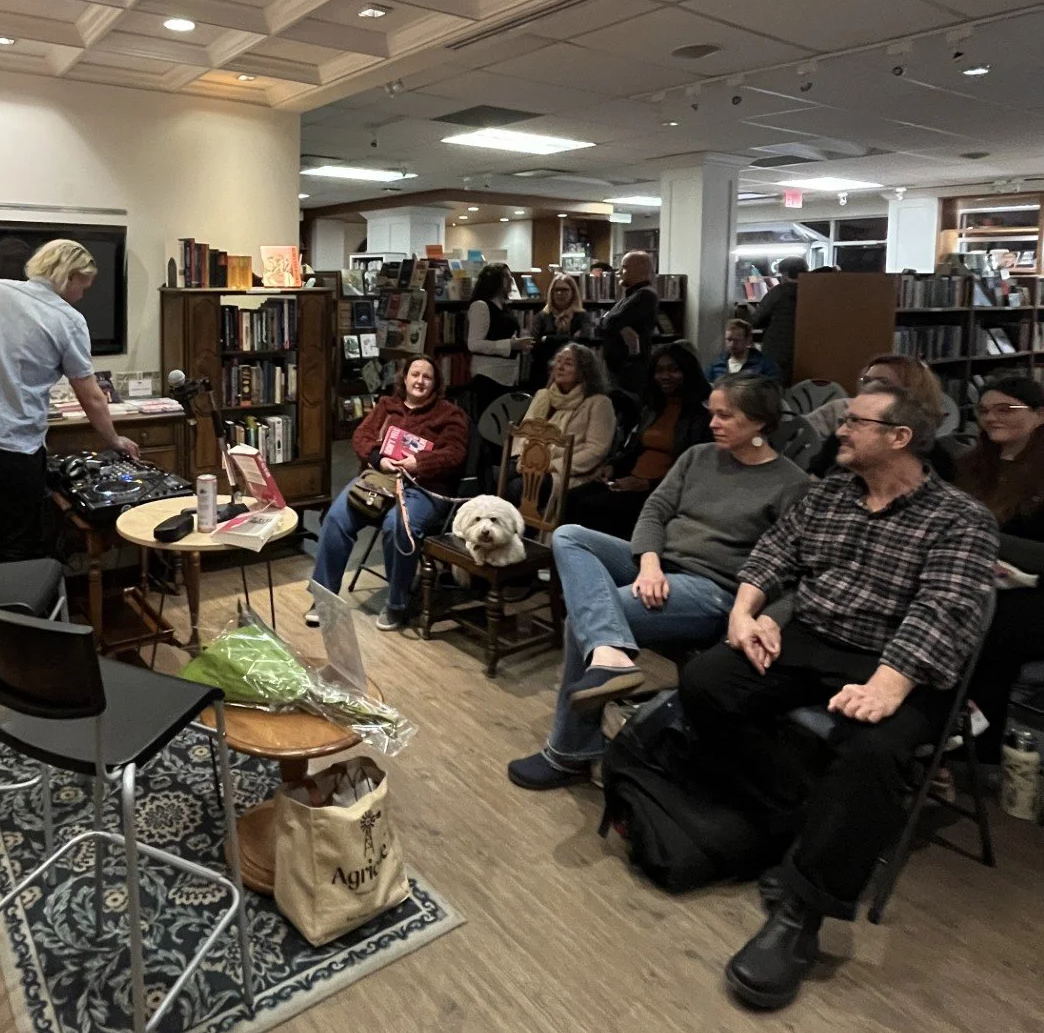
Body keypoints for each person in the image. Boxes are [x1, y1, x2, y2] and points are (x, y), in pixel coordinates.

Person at [680, 381, 998, 1012]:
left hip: (899, 661)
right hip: (815, 636)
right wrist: (746, 614)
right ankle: (798, 810)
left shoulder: (961, 520)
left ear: (899, 438)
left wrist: (890, 681)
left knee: (875, 749)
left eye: (855, 423)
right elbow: (775, 554)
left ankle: (801, 914)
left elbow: (945, 610)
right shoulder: (828, 494)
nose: (839, 431)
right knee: (708, 681)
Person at [508, 374, 808, 791]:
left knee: (583, 620)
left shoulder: (792, 485)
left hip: (714, 589)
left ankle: (568, 752)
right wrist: (648, 563)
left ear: (760, 423)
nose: (713, 423)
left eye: (726, 416)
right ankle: (610, 654)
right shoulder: (698, 457)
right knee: (570, 535)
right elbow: (654, 512)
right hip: (660, 567)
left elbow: (795, 570)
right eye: (712, 414)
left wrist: (764, 619)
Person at [0, 239, 139, 570]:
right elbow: (90, 394)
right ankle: (9, 620)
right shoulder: (67, 319)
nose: (81, 296)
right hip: (14, 449)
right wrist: (113, 440)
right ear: (68, 276)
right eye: (82, 286)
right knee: (14, 549)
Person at [310, 356, 469, 631]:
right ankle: (323, 597)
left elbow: (455, 453)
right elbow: (361, 435)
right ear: (404, 378)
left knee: (397, 524)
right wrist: (377, 457)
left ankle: (397, 604)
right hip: (379, 479)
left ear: (435, 383)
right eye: (414, 374)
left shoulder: (450, 414)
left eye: (427, 377)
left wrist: (419, 462)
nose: (420, 381)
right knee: (336, 517)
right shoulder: (387, 405)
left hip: (424, 487)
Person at [954, 374, 1044, 764]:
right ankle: (942, 722)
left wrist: (984, 540)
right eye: (985, 410)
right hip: (974, 577)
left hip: (1032, 590)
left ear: (1039, 415)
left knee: (987, 629)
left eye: (1006, 409)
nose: (992, 418)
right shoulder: (971, 464)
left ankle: (979, 746)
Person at [564, 343, 711, 539]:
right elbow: (634, 448)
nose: (665, 376)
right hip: (629, 478)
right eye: (659, 371)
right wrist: (612, 466)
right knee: (571, 498)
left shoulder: (701, 416)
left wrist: (646, 484)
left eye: (673, 370)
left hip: (659, 488)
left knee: (593, 508)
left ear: (688, 372)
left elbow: (693, 471)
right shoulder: (652, 409)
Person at [805, 353, 951, 479]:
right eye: (866, 381)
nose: (869, 388)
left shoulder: (930, 456)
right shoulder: (841, 440)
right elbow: (813, 483)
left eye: (882, 383)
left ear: (911, 393)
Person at [511, 344, 615, 497]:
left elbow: (595, 450)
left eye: (568, 363)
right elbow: (524, 434)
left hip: (567, 473)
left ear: (583, 372)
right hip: (531, 464)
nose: (559, 367)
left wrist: (552, 466)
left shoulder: (599, 402)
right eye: (558, 361)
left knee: (517, 488)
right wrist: (524, 459)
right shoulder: (544, 396)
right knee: (497, 475)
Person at [466, 263, 533, 417]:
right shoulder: (481, 306)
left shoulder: (504, 306)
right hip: (489, 376)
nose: (511, 281)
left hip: (507, 376)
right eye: (507, 277)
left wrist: (520, 343)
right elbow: (474, 344)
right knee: (490, 425)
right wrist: (511, 344)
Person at [595, 251, 658, 393]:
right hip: (617, 369)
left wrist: (606, 320)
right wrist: (608, 321)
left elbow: (611, 321)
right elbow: (603, 325)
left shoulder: (645, 295)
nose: (619, 272)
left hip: (630, 370)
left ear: (642, 269)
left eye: (625, 267)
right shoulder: (629, 296)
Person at [750, 256, 807, 383]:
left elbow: (756, 320)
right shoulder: (812, 292)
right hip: (806, 351)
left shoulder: (778, 292)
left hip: (777, 351)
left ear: (785, 274)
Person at [528, 273, 585, 388]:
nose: (560, 294)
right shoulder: (542, 317)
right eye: (556, 290)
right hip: (542, 373)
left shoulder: (581, 317)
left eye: (564, 290)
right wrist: (570, 338)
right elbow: (534, 346)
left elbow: (582, 344)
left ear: (573, 292)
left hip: (573, 376)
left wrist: (547, 339)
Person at [705, 318, 779, 384]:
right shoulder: (716, 364)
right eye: (729, 339)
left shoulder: (765, 366)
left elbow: (774, 391)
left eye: (737, 340)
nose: (732, 344)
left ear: (748, 340)